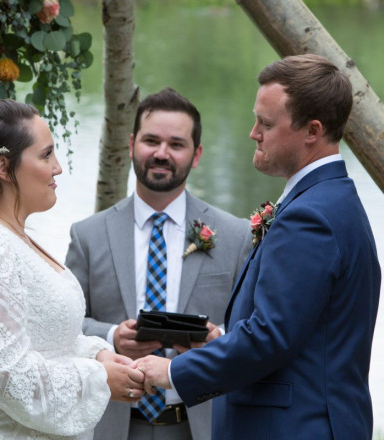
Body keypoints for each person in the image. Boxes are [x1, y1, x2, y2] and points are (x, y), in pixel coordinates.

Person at [136, 54, 382, 439]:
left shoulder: (311, 216)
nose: (253, 132)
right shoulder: (331, 200)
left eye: (266, 123)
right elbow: (302, 328)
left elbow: (271, 338)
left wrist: (172, 373)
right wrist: (224, 341)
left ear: (312, 131)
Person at [0, 100, 145, 439]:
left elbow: (42, 336)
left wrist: (98, 352)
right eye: (46, 155)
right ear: (3, 166)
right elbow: (7, 376)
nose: (57, 168)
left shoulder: (8, 236)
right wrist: (98, 379)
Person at [65, 88, 253, 440]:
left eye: (176, 144)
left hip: (201, 424)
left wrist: (218, 341)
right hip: (114, 424)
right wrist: (110, 337)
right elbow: (64, 327)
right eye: (151, 141)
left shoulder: (235, 234)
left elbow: (255, 332)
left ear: (196, 155)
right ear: (132, 143)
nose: (161, 154)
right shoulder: (88, 235)